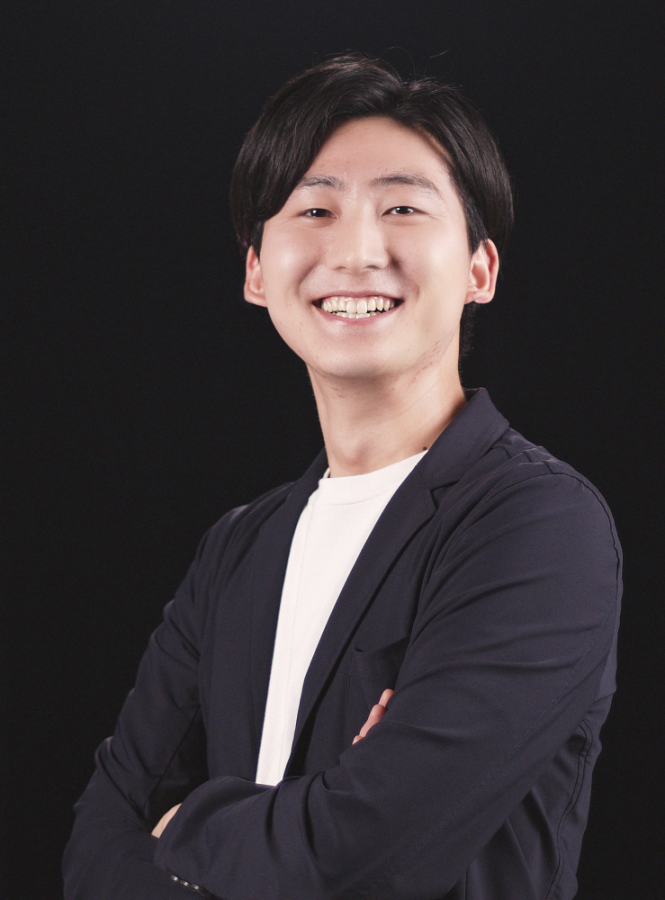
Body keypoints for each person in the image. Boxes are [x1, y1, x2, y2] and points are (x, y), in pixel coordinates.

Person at [63, 55, 622, 900]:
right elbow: (94, 854)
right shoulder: (238, 548)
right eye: (314, 209)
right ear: (257, 272)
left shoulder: (538, 525)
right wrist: (318, 809)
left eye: (401, 208)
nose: (356, 251)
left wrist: (185, 829)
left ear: (479, 270)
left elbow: (365, 857)